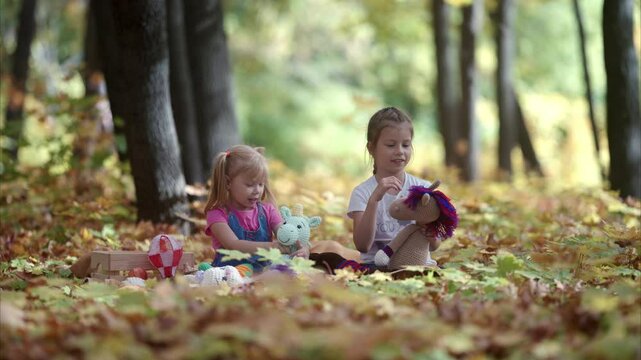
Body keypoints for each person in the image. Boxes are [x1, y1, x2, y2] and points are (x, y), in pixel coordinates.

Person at [347, 107, 433, 267]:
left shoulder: (423, 188)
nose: (400, 151)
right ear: (371, 148)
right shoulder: (362, 193)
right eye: (391, 145)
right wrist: (374, 200)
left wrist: (427, 223)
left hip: (419, 266)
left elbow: (435, 245)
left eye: (406, 145)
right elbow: (362, 245)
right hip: (376, 269)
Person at [204, 145, 307, 272]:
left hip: (264, 270)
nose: (257, 190)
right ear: (228, 182)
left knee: (289, 268)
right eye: (250, 184)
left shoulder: (268, 211)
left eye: (261, 184)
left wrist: (301, 248)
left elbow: (285, 234)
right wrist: (272, 247)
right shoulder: (217, 214)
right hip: (231, 273)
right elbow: (233, 245)